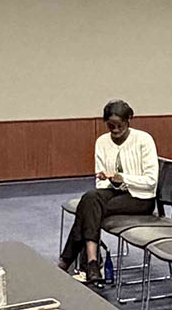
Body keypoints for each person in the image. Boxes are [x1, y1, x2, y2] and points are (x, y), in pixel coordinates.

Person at [58, 100, 158, 285]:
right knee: (90, 199)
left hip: (141, 198)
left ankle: (70, 261)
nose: (116, 130)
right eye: (111, 126)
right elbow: (100, 182)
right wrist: (112, 181)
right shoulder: (102, 142)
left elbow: (151, 181)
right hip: (114, 192)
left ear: (128, 121)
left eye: (120, 125)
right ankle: (92, 262)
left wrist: (123, 178)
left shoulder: (144, 140)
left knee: (88, 208)